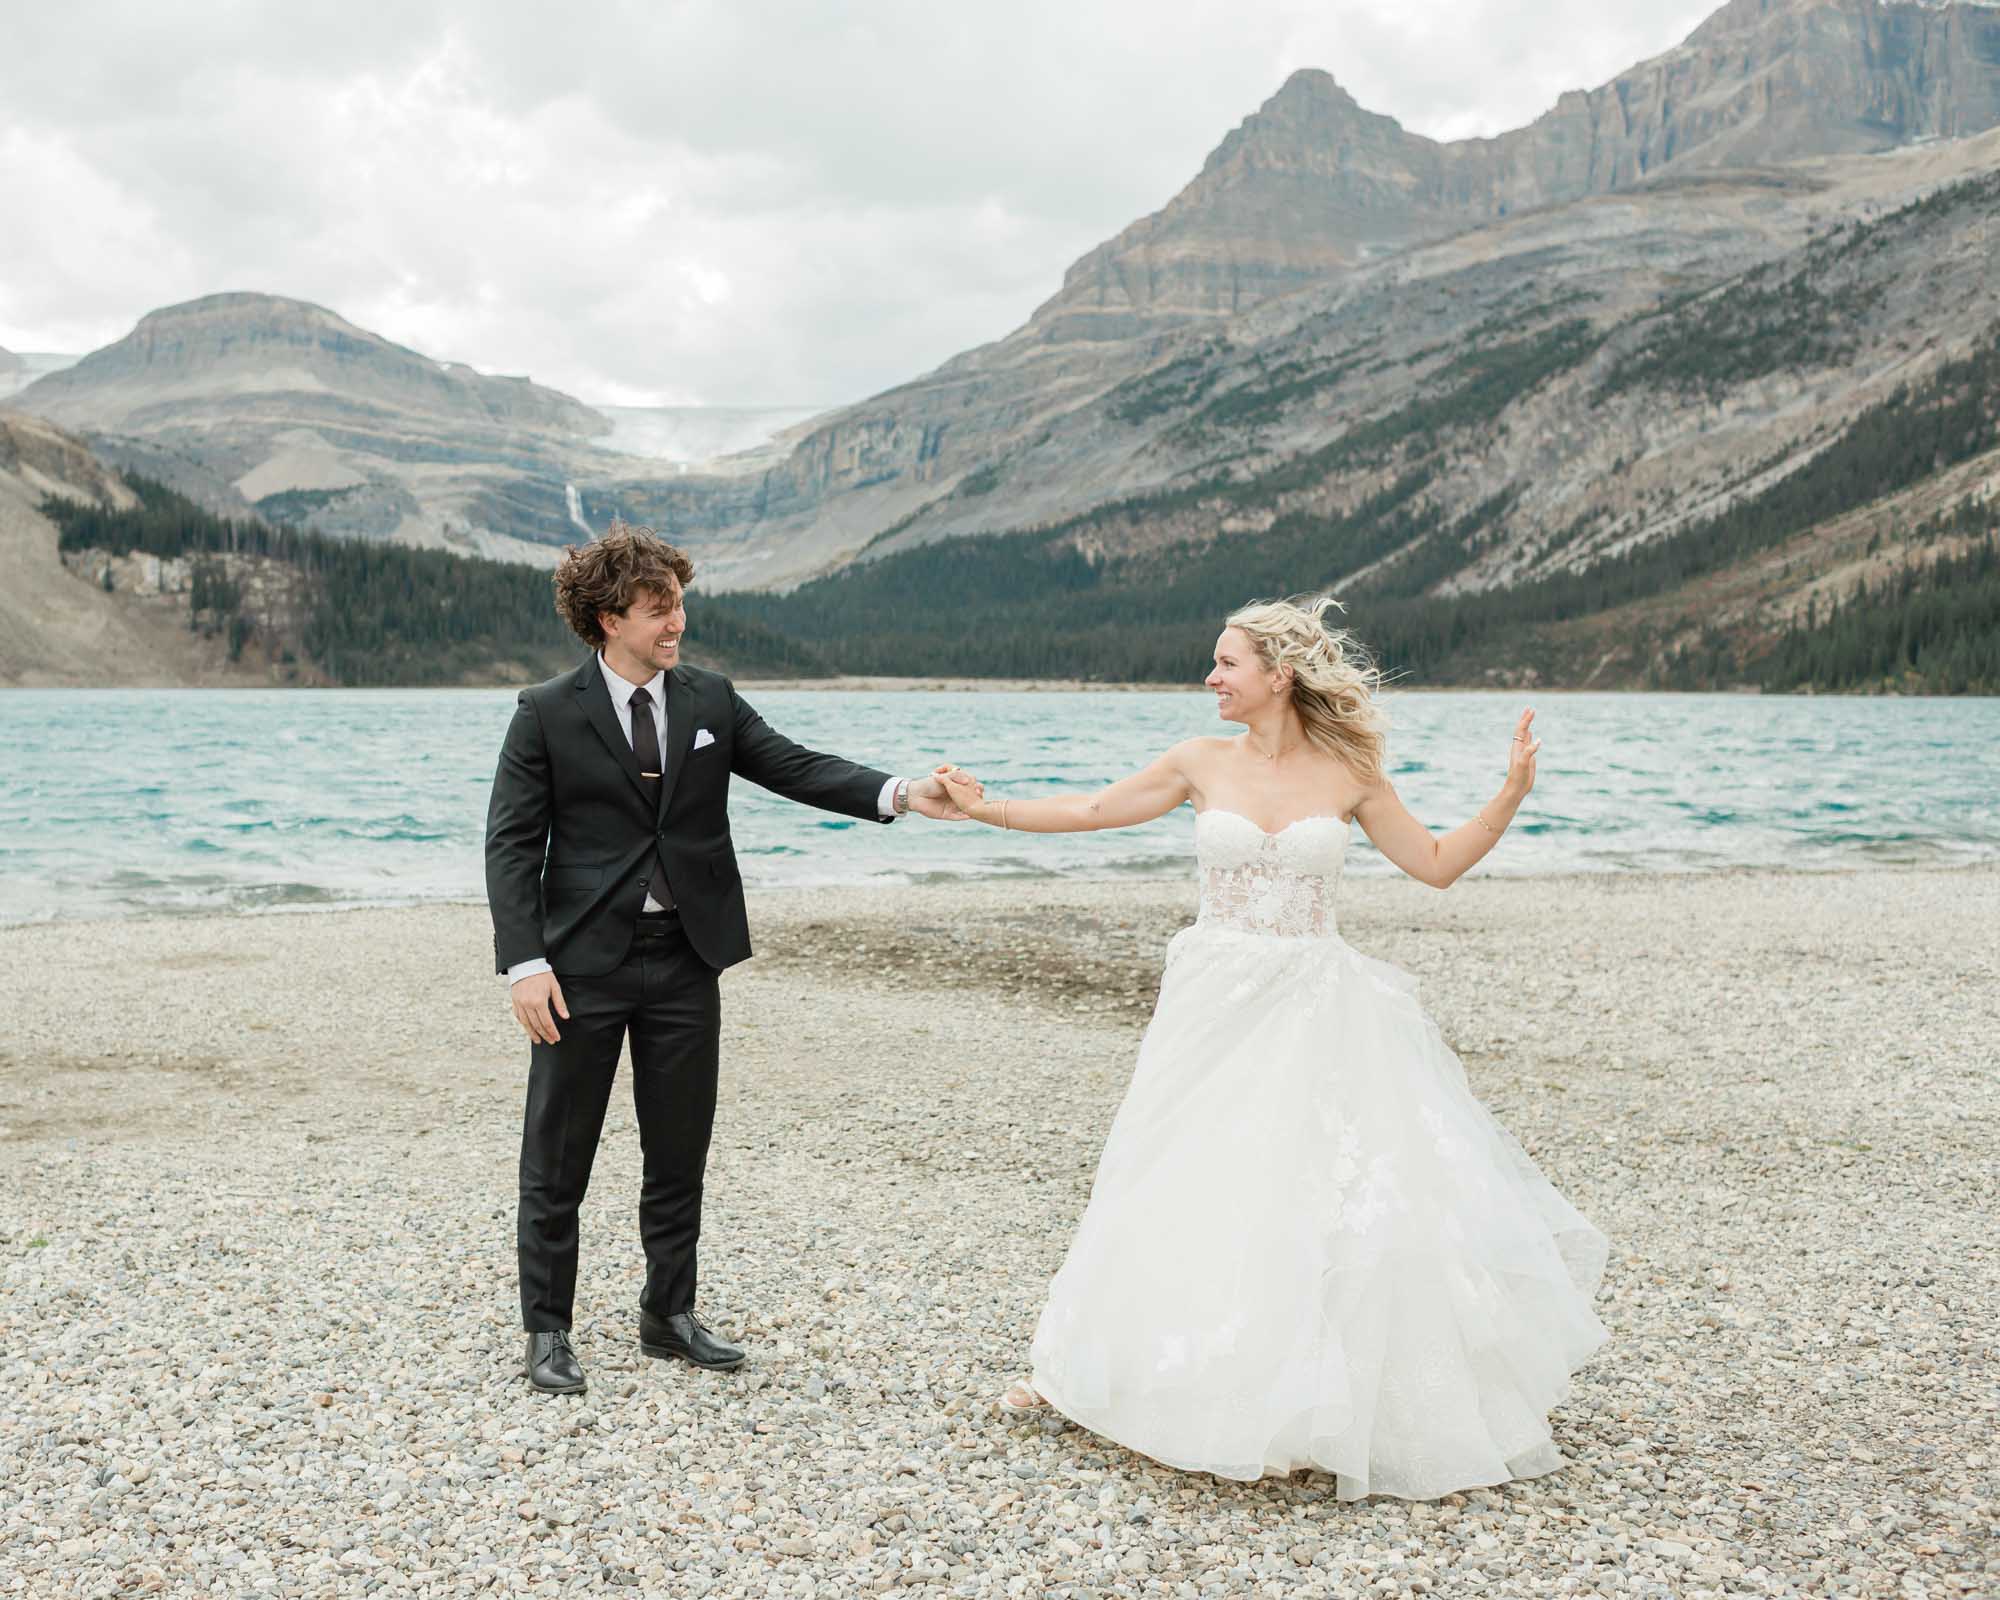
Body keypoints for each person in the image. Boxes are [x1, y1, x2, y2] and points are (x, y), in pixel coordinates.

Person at [936, 595, 1609, 1500]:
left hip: (1313, 1002)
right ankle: (1096, 1374)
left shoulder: (1351, 770)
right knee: (1172, 1172)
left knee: (1308, 1191)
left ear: (1278, 674)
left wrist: (1512, 793)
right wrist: (990, 810)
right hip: (1214, 996)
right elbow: (1096, 809)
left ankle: (1304, 1401)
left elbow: (1438, 864)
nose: (1211, 677)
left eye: (1226, 663)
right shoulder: (1197, 760)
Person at [484, 520, 972, 1395]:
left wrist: (902, 793)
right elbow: (513, 847)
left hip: (685, 959)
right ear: (606, 618)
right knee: (559, 1154)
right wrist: (525, 965)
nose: (676, 624)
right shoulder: (546, 713)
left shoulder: (710, 699)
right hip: (579, 967)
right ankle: (547, 1328)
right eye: (657, 610)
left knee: (680, 1147)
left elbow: (792, 765)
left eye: (679, 605)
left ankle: (667, 1313)